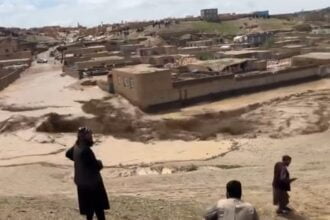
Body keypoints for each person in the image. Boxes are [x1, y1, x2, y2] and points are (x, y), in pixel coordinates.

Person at [66, 127, 110, 220]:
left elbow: (68, 154)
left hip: (82, 183)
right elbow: (96, 166)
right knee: (99, 208)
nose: (91, 138)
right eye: (89, 136)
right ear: (83, 137)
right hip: (92, 183)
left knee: (89, 209)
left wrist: (78, 161)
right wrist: (99, 163)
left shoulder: (76, 146)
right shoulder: (86, 151)